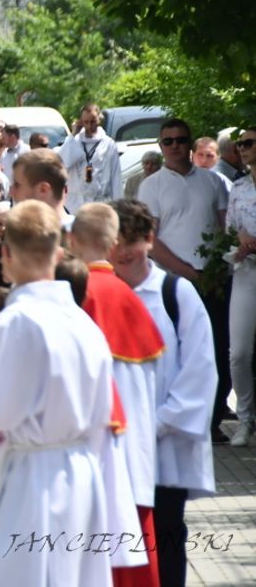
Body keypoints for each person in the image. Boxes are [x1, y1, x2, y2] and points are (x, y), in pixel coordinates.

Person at [0, 200, 115, 586]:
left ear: (6, 254)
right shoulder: (85, 324)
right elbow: (103, 419)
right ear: (59, 252)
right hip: (82, 476)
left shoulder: (17, 320)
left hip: (32, 482)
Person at [110, 199, 217, 587]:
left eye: (131, 241)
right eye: (114, 242)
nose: (122, 251)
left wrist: (157, 423)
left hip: (163, 445)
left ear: (150, 240)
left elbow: (200, 369)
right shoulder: (100, 295)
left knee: (166, 534)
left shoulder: (176, 293)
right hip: (114, 443)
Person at [70, 202, 165, 585]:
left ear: (72, 240)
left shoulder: (74, 296)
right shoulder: (130, 297)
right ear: (112, 244)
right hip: (137, 448)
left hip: (93, 449)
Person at [138, 118, 231, 444]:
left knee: (219, 350)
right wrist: (187, 271)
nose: (175, 145)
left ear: (190, 143)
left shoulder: (214, 181)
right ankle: (176, 419)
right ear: (161, 146)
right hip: (173, 280)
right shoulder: (152, 186)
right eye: (168, 141)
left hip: (215, 278)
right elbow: (150, 238)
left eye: (181, 139)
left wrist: (218, 267)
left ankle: (213, 419)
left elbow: (224, 230)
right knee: (177, 351)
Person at [225, 126, 256, 446]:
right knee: (239, 352)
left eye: (249, 143)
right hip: (246, 271)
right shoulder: (239, 188)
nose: (242, 148)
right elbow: (229, 229)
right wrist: (240, 242)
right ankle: (246, 419)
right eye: (240, 144)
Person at [10, 149, 73, 230]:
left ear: (43, 190)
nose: (12, 192)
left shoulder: (83, 239)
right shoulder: (20, 235)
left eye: (17, 185)